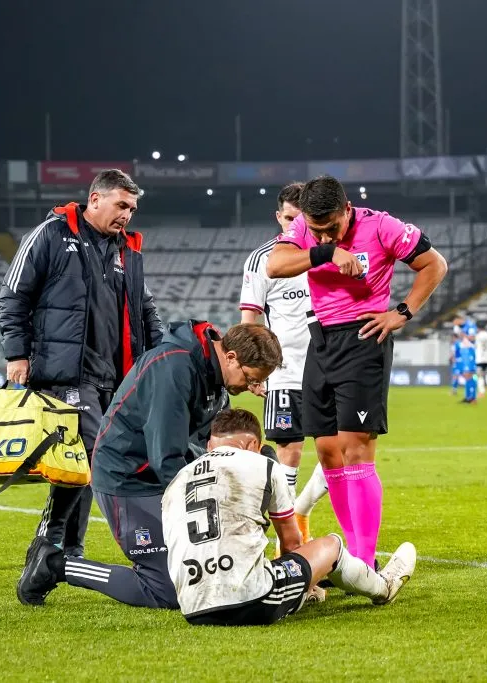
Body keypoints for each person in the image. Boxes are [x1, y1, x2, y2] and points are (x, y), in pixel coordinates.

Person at [17, 322, 283, 609]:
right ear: (230, 357)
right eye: (251, 378)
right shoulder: (174, 368)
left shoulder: (214, 376)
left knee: (210, 571)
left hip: (161, 474)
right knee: (167, 590)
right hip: (129, 479)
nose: (251, 388)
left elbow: (217, 446)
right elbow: (166, 458)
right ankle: (55, 564)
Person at [266, 175, 447, 567]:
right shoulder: (306, 230)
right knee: (328, 450)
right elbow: (275, 265)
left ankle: (364, 561)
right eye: (318, 230)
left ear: (347, 210)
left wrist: (401, 313)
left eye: (333, 226)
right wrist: (324, 252)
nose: (325, 233)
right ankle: (352, 557)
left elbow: (434, 264)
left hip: (364, 338)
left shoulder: (382, 225)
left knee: (355, 449)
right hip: (322, 340)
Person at [0, 169, 164, 564]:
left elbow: (146, 310)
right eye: (121, 205)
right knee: (97, 453)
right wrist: (16, 355)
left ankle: (62, 548)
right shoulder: (51, 234)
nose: (127, 214)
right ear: (95, 199)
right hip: (65, 373)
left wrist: (159, 358)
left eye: (133, 208)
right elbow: (13, 296)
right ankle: (80, 541)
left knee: (80, 462)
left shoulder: (128, 251)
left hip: (115, 374)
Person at [162, 408, 417, 626]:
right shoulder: (263, 465)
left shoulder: (177, 479)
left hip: (192, 606)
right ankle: (384, 587)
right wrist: (305, 580)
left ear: (209, 445)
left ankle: (302, 592)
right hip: (249, 601)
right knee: (332, 546)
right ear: (254, 445)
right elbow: (292, 545)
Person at [239, 181, 328, 542]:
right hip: (286, 370)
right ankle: (288, 544)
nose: (295, 227)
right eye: (289, 218)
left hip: (330, 367)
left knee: (340, 449)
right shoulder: (262, 260)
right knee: (289, 451)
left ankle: (302, 510)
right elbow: (250, 320)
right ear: (279, 217)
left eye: (302, 218)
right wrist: (250, 370)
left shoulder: (327, 252)